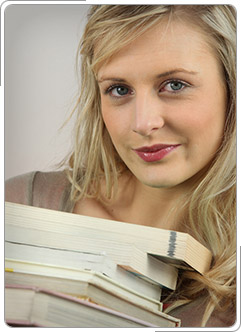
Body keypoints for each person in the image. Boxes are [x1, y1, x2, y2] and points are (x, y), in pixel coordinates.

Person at [5, 5, 236, 327]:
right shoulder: (19, 204)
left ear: (232, 90)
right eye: (119, 89)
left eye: (174, 85)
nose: (143, 123)